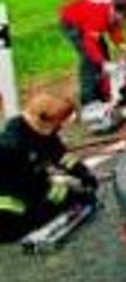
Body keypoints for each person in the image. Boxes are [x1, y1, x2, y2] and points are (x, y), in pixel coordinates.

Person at [0, 94, 98, 242]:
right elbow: (15, 182)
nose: (59, 129)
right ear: (43, 119)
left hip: (34, 184)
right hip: (10, 196)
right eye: (58, 125)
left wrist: (84, 174)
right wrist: (42, 205)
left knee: (69, 196)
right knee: (21, 224)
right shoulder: (12, 142)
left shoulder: (45, 132)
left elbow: (62, 157)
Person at [59, 0, 126, 106]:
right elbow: (90, 44)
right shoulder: (98, 16)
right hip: (72, 22)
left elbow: (113, 26)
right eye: (118, 19)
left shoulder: (115, 7)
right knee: (89, 59)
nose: (120, 22)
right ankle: (88, 100)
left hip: (88, 20)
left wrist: (121, 44)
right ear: (114, 10)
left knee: (103, 55)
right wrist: (103, 63)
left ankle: (103, 92)